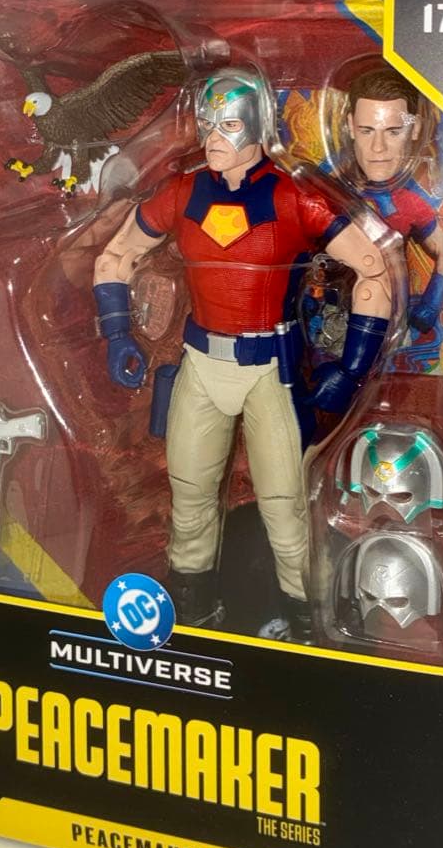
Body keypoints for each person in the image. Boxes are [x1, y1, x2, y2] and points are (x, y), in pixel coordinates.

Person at [93, 68, 391, 641]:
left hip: (271, 370)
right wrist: (117, 333)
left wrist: (353, 367)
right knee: (189, 501)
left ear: (256, 126)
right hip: (202, 363)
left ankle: (309, 625)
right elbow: (116, 255)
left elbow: (373, 268)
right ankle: (190, 618)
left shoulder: (294, 197)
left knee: (285, 510)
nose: (213, 136)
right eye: (207, 123)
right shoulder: (181, 191)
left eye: (228, 124)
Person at [346, 67, 443, 333]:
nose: (378, 147)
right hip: (328, 309)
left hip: (384, 314)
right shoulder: (328, 188)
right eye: (366, 130)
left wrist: (430, 306)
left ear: (415, 128)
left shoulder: (407, 202)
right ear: (350, 126)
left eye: (393, 132)